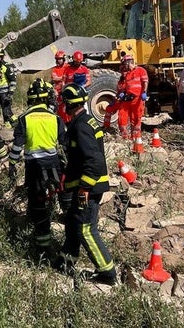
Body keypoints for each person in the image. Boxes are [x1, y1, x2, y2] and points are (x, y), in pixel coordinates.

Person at [53, 83, 117, 285]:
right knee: (72, 223)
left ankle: (107, 272)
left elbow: (94, 160)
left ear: (67, 104)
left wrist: (84, 188)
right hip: (84, 185)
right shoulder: (85, 121)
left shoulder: (80, 126)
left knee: (86, 229)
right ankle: (66, 261)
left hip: (89, 187)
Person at [8, 78, 67, 258]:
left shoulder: (24, 119)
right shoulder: (55, 118)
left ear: (30, 99)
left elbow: (17, 148)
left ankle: (43, 245)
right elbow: (64, 146)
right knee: (62, 195)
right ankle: (69, 234)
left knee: (37, 202)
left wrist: (11, 165)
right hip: (54, 163)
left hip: (34, 167)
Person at [119, 54, 148, 141]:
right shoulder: (127, 74)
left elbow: (145, 82)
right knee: (122, 116)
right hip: (128, 98)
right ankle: (124, 137)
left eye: (124, 64)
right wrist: (123, 93)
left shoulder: (141, 70)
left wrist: (144, 92)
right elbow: (126, 86)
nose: (124, 66)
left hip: (138, 98)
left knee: (136, 118)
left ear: (128, 63)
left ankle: (136, 137)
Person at [0, 48, 18, 128]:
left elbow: (13, 81)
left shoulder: (6, 67)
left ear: (3, 57)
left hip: (4, 94)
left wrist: (10, 94)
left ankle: (15, 124)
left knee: (7, 112)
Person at [61, 50, 91, 123]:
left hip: (80, 94)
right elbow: (63, 81)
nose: (78, 63)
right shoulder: (67, 69)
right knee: (69, 112)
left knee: (84, 111)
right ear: (73, 60)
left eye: (79, 62)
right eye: (76, 62)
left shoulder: (84, 69)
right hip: (70, 95)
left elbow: (89, 81)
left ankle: (85, 124)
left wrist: (82, 86)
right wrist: (63, 90)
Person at [51, 50, 68, 120]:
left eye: (60, 59)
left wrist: (61, 78)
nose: (58, 61)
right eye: (57, 59)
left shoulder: (68, 67)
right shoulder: (54, 69)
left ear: (63, 59)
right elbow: (54, 78)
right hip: (57, 92)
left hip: (66, 91)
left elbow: (70, 76)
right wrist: (64, 77)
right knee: (59, 109)